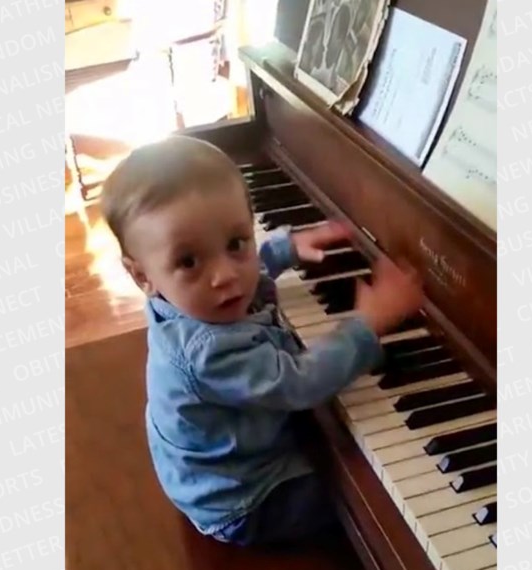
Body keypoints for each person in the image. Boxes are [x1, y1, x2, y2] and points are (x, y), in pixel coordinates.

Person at [100, 135, 423, 546]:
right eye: (188, 262)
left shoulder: (195, 298)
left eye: (237, 243)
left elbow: (242, 272)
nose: (225, 276)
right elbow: (302, 383)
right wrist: (368, 322)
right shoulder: (207, 351)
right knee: (376, 500)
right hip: (242, 498)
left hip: (213, 459)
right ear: (142, 276)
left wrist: (283, 250)